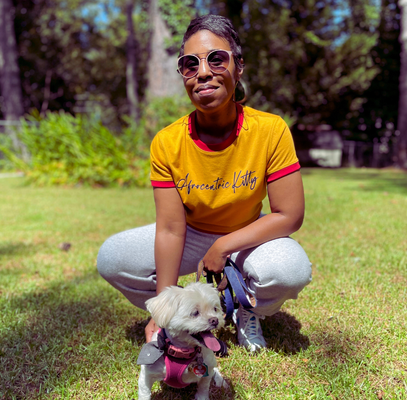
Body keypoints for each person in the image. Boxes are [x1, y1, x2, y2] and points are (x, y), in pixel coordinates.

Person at [97, 14, 312, 352]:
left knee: (290, 270)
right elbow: (170, 228)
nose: (203, 72)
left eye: (216, 59)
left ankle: (245, 309)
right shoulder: (167, 142)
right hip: (192, 234)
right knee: (112, 258)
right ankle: (188, 316)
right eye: (189, 64)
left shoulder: (270, 129)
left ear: (238, 66)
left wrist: (224, 246)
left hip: (247, 235)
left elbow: (289, 215)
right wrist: (164, 311)